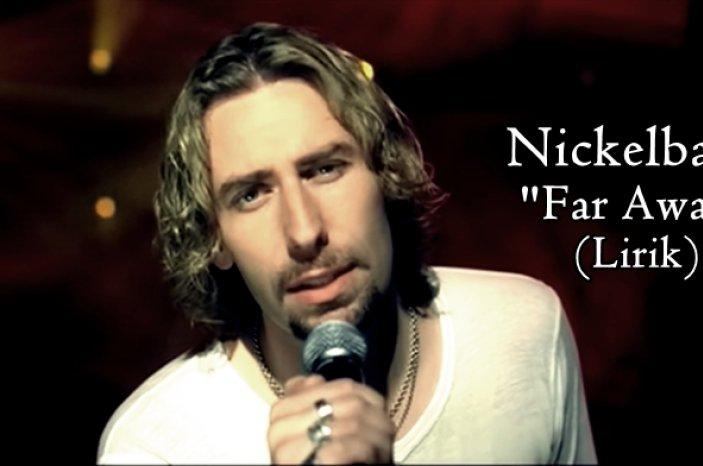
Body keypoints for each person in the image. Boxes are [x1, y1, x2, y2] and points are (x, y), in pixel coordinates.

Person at [97, 23, 597, 464]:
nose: (303, 232)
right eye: (251, 195)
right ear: (215, 239)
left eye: (324, 169)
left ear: (384, 172)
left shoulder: (523, 329)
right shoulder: (155, 446)